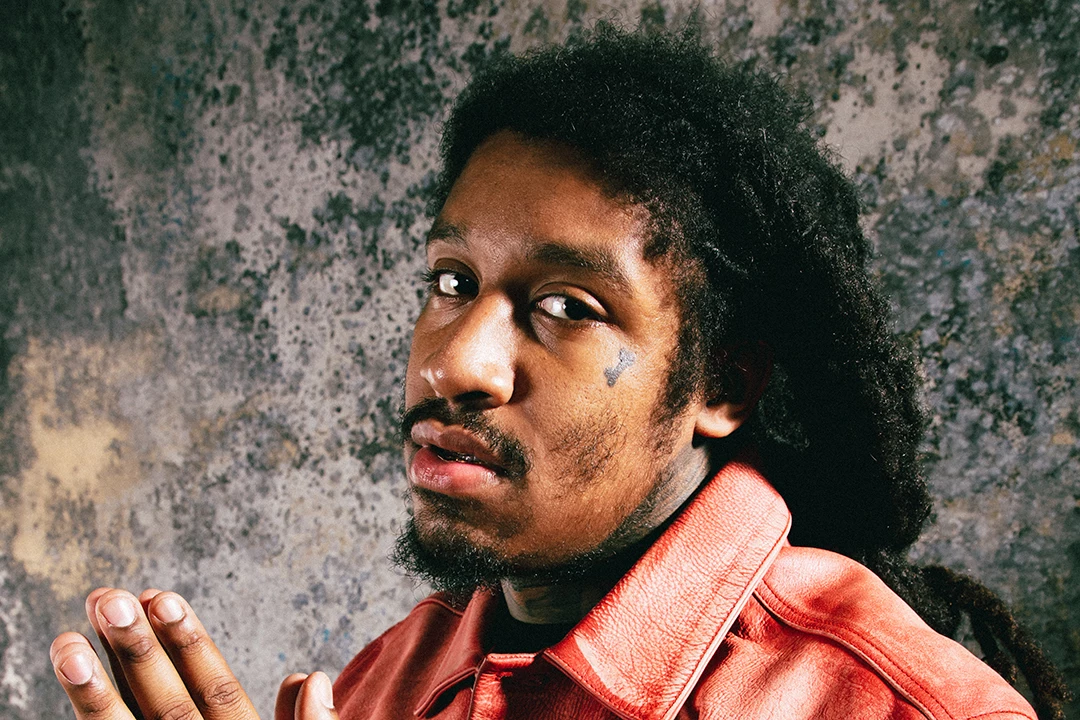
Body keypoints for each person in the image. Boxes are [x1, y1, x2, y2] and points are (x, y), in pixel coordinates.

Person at [49, 25, 1069, 720]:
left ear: (722, 386)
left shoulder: (903, 707)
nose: (454, 363)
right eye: (451, 281)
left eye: (566, 308)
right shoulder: (389, 683)